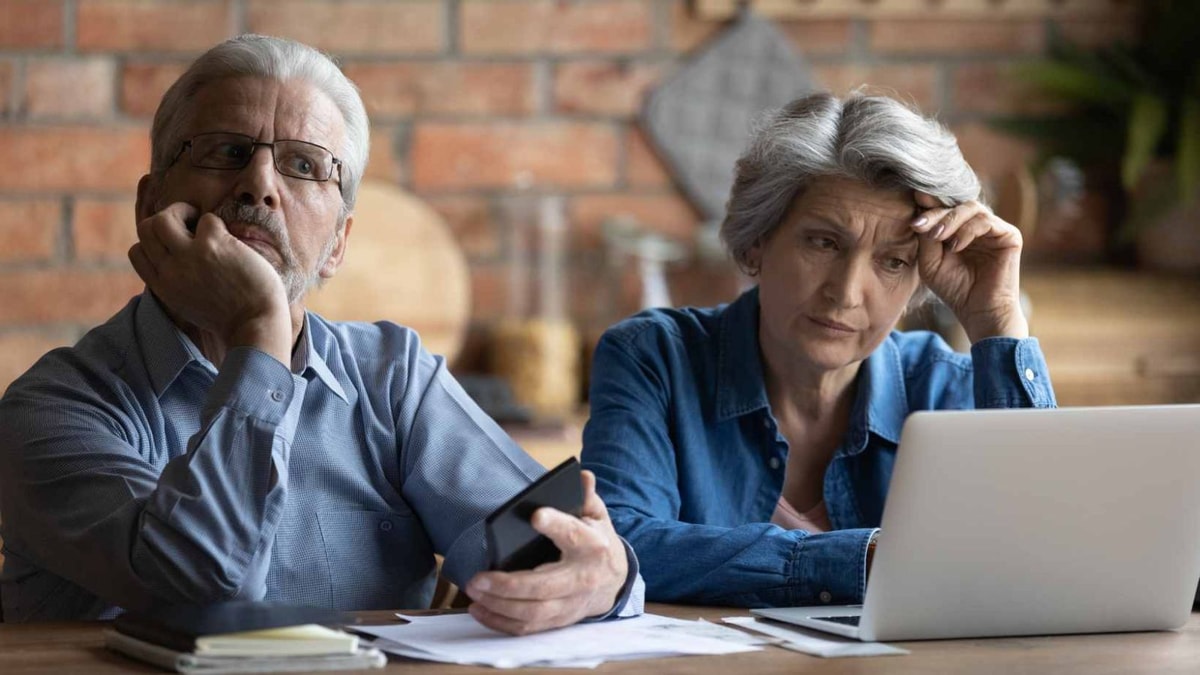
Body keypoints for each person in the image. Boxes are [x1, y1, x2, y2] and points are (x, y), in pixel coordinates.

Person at [0, 34, 642, 632]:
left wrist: (604, 578)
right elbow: (203, 595)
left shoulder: (394, 379)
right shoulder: (53, 408)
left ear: (337, 242)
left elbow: (546, 545)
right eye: (226, 151)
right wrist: (260, 332)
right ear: (151, 204)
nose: (259, 184)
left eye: (304, 165)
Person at [580, 92, 1057, 608]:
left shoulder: (943, 385)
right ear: (758, 242)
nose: (847, 293)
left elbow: (1046, 554)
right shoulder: (655, 358)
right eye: (823, 243)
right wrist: (867, 560)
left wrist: (998, 322)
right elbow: (618, 545)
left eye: (893, 262)